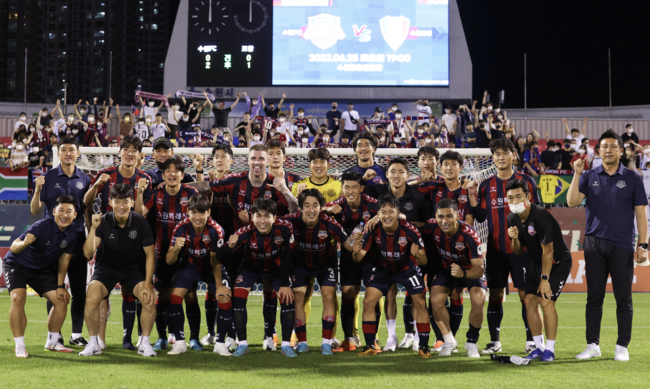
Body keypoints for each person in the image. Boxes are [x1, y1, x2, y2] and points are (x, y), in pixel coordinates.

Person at [567, 129, 648, 362]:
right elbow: (572, 202)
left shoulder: (633, 178)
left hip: (623, 245)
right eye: (605, 146)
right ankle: (592, 345)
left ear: (621, 151)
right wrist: (576, 174)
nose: (609, 150)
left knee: (624, 298)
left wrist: (643, 245)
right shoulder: (588, 175)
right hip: (593, 244)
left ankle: (622, 346)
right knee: (594, 297)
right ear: (598, 150)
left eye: (614, 146)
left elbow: (641, 215)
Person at [467, 138, 540, 354]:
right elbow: (480, 217)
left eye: (505, 152)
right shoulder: (486, 185)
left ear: (513, 155)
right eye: (496, 153)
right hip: (496, 250)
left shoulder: (527, 181)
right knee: (496, 295)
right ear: (493, 158)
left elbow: (536, 213)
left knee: (527, 296)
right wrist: (472, 197)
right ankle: (495, 342)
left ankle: (532, 340)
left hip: (523, 250)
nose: (501, 157)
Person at [79, 184, 157, 357]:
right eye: (117, 202)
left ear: (131, 202)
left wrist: (148, 283)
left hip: (133, 269)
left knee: (149, 298)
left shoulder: (140, 223)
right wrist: (93, 228)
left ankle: (144, 343)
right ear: (111, 202)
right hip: (107, 268)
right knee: (91, 298)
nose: (121, 206)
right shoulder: (103, 221)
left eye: (125, 202)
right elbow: (87, 252)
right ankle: (93, 343)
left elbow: (150, 255)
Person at [31, 136, 92, 346]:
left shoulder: (85, 179)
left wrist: (91, 238)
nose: (68, 153)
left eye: (71, 149)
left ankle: (76, 335)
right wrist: (37, 189)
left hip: (77, 240)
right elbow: (35, 210)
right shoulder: (46, 177)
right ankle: (55, 336)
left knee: (78, 290)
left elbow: (88, 213)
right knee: (53, 290)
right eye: (63, 149)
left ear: (78, 153)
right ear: (58, 153)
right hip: (52, 242)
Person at [352, 194, 430, 358]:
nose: (387, 215)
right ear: (378, 214)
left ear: (397, 213)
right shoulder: (372, 229)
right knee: (368, 301)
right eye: (383, 212)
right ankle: (369, 346)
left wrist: (417, 255)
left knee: (420, 302)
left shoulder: (410, 230)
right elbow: (358, 258)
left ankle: (423, 346)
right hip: (384, 269)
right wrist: (355, 251)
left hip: (408, 268)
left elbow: (423, 261)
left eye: (391, 211)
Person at [135, 156, 200, 351]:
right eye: (168, 171)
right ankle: (162, 337)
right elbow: (139, 214)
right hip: (162, 253)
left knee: (190, 295)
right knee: (162, 295)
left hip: (187, 255)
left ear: (182, 174)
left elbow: (202, 217)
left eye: (176, 170)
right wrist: (139, 192)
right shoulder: (157, 194)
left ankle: (194, 338)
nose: (172, 174)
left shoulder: (191, 193)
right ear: (162, 175)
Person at [5, 196, 82, 357]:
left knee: (61, 300)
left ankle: (53, 342)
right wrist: (25, 243)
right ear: (54, 212)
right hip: (17, 265)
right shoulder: (41, 225)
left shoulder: (75, 232)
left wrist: (61, 286)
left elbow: (64, 260)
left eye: (69, 211)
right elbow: (13, 247)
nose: (65, 215)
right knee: (18, 298)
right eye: (61, 210)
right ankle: (20, 346)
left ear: (75, 215)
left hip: (42, 270)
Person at [506, 179, 573, 362]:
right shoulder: (511, 218)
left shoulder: (541, 216)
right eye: (510, 198)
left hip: (557, 261)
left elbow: (548, 251)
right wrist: (514, 239)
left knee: (546, 302)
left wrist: (545, 279)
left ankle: (549, 351)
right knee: (528, 300)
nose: (514, 201)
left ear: (528, 196)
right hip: (535, 261)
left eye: (518, 197)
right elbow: (518, 251)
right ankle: (539, 347)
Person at [280, 189, 353, 355]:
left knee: (328, 296)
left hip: (325, 266)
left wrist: (355, 243)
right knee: (298, 297)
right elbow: (271, 224)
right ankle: (302, 342)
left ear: (321, 207)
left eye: (315, 205)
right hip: (300, 266)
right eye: (306, 205)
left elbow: (347, 243)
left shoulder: (330, 223)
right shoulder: (290, 221)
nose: (311, 209)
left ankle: (326, 343)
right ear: (301, 207)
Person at [222, 199, 297, 357]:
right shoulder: (243, 231)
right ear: (252, 217)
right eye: (258, 216)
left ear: (274, 217)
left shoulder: (284, 228)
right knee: (238, 300)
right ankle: (242, 345)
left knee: (287, 299)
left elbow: (287, 256)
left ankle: (284, 345)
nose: (262, 220)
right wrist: (229, 246)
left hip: (275, 268)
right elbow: (221, 257)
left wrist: (284, 283)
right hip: (251, 269)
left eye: (267, 216)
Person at [165, 194, 232, 355]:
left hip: (211, 266)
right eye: (194, 212)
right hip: (190, 265)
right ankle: (180, 343)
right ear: (188, 213)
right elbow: (169, 260)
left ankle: (220, 343)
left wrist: (219, 286)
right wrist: (175, 248)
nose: (197, 217)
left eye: (202, 213)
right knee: (174, 296)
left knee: (224, 296)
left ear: (208, 213)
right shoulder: (180, 228)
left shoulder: (216, 230)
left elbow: (215, 260)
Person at [423, 199, 486, 357]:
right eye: (441, 217)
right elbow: (409, 224)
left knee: (478, 301)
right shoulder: (431, 226)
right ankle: (449, 340)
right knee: (435, 300)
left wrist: (463, 274)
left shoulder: (470, 235)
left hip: (470, 270)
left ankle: (472, 342)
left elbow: (479, 269)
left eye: (449, 216)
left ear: (457, 216)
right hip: (447, 270)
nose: (444, 221)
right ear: (435, 217)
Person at [323, 172, 378, 351]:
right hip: (348, 257)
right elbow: (314, 210)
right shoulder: (337, 206)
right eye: (347, 187)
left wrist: (379, 215)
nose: (350, 190)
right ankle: (349, 340)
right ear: (342, 188)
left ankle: (373, 339)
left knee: (373, 296)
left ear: (362, 188)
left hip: (371, 257)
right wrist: (327, 210)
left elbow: (395, 213)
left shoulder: (372, 204)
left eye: (355, 187)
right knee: (347, 293)